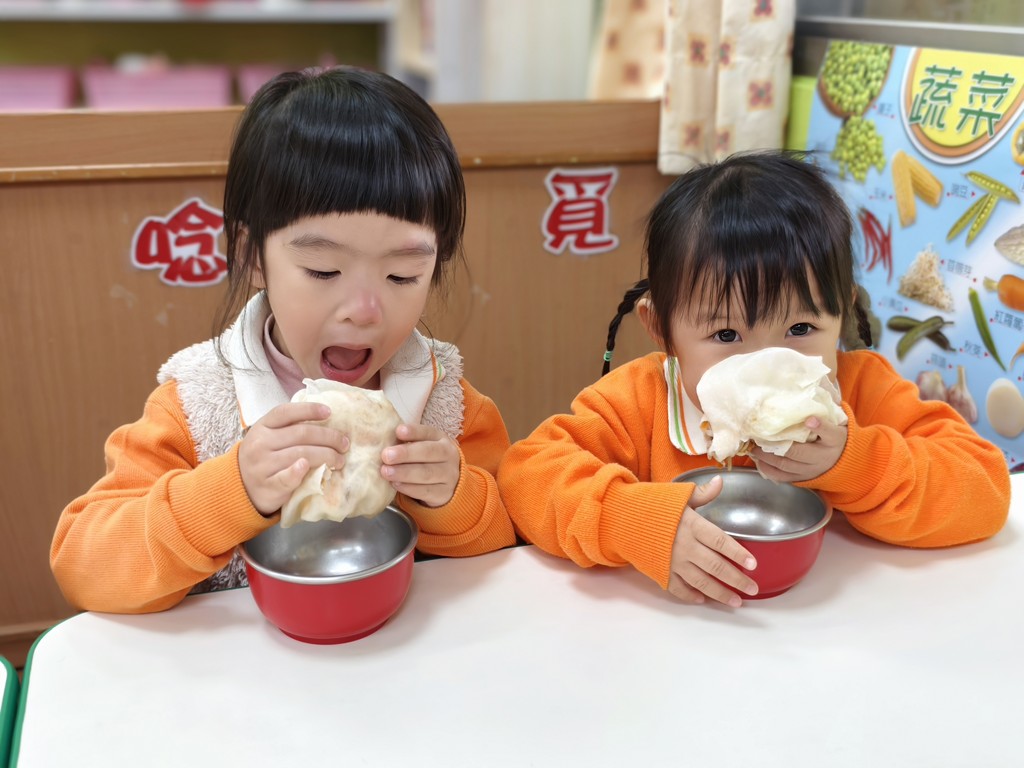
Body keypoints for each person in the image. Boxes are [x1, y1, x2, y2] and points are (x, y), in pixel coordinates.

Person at [52, 66, 516, 613]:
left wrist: (454, 496)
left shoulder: (445, 404)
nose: (365, 312)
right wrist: (231, 491)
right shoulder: (197, 408)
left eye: (402, 276)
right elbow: (83, 565)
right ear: (252, 256)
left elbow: (508, 543)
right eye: (323, 271)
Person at [497, 151, 1010, 608]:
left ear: (843, 313)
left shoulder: (862, 388)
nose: (767, 363)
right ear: (661, 329)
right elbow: (526, 478)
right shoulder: (640, 399)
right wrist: (632, 522)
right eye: (726, 334)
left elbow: (985, 488)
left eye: (801, 329)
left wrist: (856, 463)